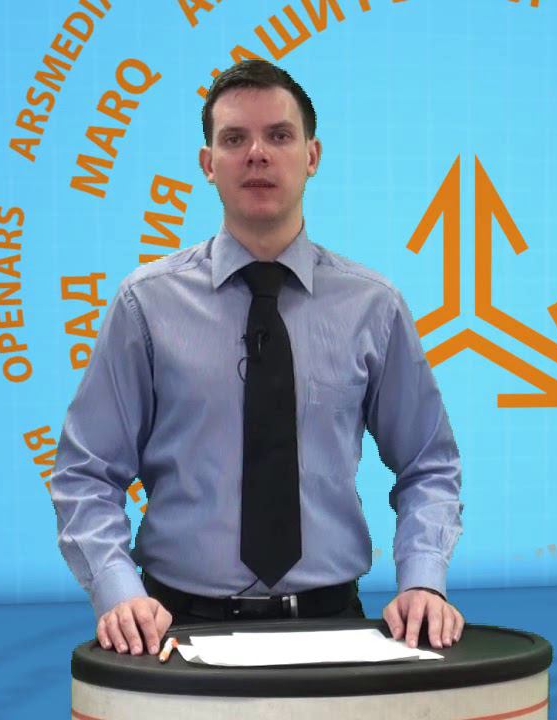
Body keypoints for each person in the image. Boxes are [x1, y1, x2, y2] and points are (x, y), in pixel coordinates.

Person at [49, 58, 466, 658]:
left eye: (279, 135)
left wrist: (424, 580)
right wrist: (117, 592)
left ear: (312, 156)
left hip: (333, 628)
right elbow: (86, 471)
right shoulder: (146, 305)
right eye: (234, 139)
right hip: (175, 630)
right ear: (207, 164)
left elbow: (429, 462)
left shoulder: (373, 306)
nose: (257, 154)